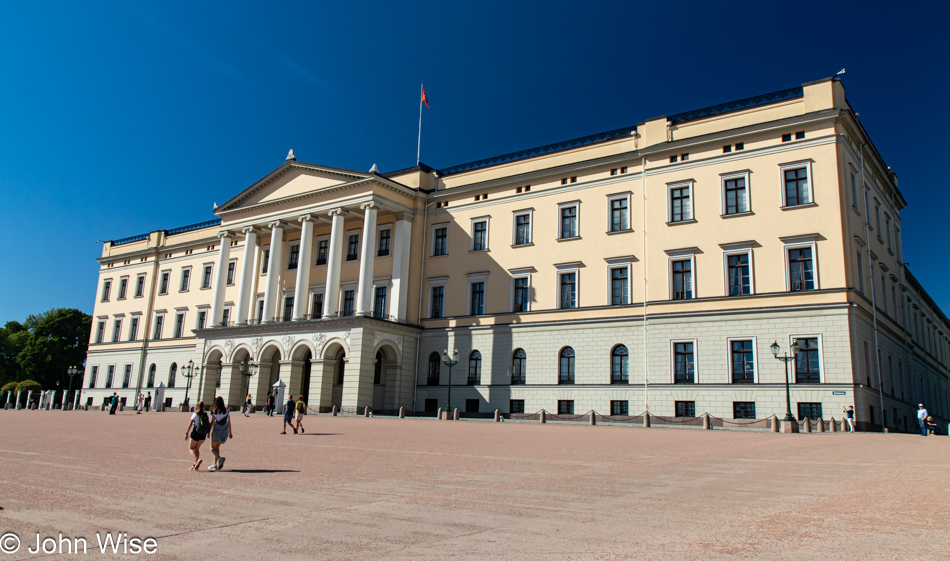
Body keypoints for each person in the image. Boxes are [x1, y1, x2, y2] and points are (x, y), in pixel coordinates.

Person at [208, 396, 233, 471]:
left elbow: (212, 422)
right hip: (224, 430)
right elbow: (229, 422)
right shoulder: (226, 410)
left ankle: (219, 458)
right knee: (217, 448)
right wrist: (230, 432)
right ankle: (214, 463)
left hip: (216, 430)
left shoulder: (215, 410)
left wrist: (209, 431)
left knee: (212, 448)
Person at [185, 401, 210, 470]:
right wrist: (208, 433)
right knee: (197, 449)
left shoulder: (195, 414)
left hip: (196, 433)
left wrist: (186, 433)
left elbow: (190, 424)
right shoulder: (205, 414)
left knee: (191, 448)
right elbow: (208, 424)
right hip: (203, 434)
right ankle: (195, 465)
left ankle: (196, 460)